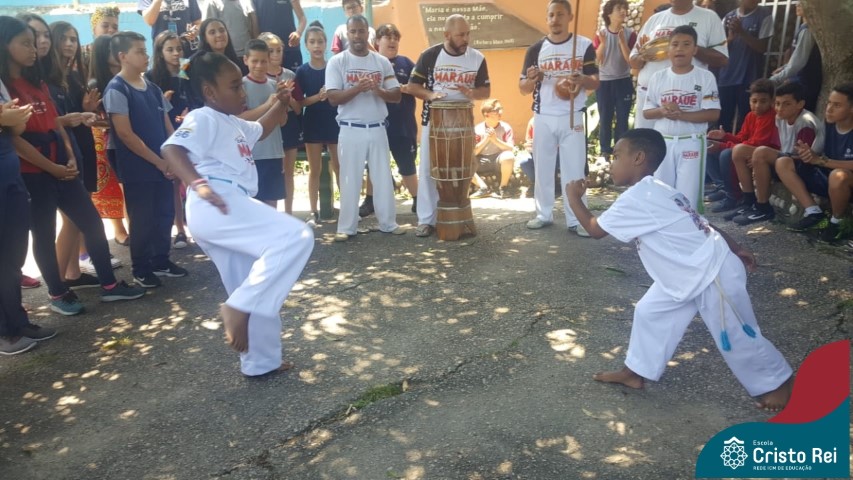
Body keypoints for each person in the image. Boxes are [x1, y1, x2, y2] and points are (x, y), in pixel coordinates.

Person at [565, 127, 794, 412]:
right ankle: (635, 372)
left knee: (736, 332)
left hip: (712, 273)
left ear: (638, 158)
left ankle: (778, 384)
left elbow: (595, 230)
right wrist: (735, 246)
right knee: (650, 312)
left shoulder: (638, 198)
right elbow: (701, 222)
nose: (612, 163)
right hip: (689, 272)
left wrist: (573, 197)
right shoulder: (660, 189)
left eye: (616, 156)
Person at [161, 51, 314, 377]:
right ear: (210, 92)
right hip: (218, 201)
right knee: (296, 236)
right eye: (234, 86)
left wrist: (280, 102)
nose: (242, 92)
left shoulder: (232, 122)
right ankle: (239, 307)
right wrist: (198, 184)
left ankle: (260, 362)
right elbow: (172, 148)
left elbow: (262, 127)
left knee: (255, 281)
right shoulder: (203, 117)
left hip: (223, 206)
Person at [4, 18, 145, 315]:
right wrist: (51, 167)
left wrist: (68, 156)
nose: (35, 48)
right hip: (34, 174)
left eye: (36, 41)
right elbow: (16, 140)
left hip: (62, 167)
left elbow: (55, 122)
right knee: (43, 234)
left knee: (91, 221)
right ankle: (57, 293)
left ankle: (110, 286)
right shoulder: (6, 88)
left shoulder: (37, 81)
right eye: (26, 43)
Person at [104, 31, 188, 288]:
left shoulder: (152, 88)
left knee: (164, 212)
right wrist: (159, 162)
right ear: (123, 56)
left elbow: (167, 125)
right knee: (142, 218)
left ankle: (161, 260)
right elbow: (126, 135)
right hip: (137, 167)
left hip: (162, 163)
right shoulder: (116, 89)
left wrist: (173, 156)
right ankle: (141, 268)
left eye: (145, 50)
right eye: (139, 52)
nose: (146, 56)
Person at [519, 0, 599, 235]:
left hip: (572, 114)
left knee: (574, 169)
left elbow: (595, 82)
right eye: (551, 15)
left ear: (570, 17)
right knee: (542, 169)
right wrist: (532, 78)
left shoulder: (583, 45)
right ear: (547, 18)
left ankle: (577, 219)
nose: (555, 20)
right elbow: (522, 88)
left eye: (560, 14)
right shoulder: (536, 49)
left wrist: (582, 79)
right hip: (543, 114)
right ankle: (543, 214)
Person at [408, 14, 490, 238]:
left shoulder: (477, 58)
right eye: (460, 35)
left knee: (462, 170)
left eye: (468, 34)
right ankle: (426, 220)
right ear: (447, 35)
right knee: (428, 171)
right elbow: (413, 86)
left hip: (463, 124)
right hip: (434, 122)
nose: (466, 39)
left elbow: (485, 91)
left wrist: (472, 93)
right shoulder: (430, 55)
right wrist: (431, 95)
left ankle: (457, 215)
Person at [325, 15, 404, 242]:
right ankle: (346, 227)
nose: (357, 36)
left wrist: (378, 90)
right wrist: (358, 88)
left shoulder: (381, 61)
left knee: (382, 177)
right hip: (351, 128)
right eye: (353, 31)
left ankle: (388, 223)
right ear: (347, 34)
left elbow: (396, 95)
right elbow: (333, 98)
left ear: (367, 33)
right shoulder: (337, 62)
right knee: (349, 179)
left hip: (378, 127)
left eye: (361, 31)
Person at [0, 54, 53, 353]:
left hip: (9, 169)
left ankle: (17, 322)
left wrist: (16, 120)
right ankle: (5, 331)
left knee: (13, 254)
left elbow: (14, 129)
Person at [643, 25, 720, 213]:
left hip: (691, 143)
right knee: (662, 194)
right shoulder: (658, 77)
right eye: (675, 44)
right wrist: (662, 111)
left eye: (686, 44)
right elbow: (647, 112)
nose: (680, 49)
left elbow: (713, 113)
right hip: (663, 143)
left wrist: (682, 115)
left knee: (688, 197)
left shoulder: (705, 77)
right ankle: (663, 229)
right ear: (668, 50)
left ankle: (689, 229)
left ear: (695, 49)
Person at [729, 82, 824, 226]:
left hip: (808, 165)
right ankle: (749, 201)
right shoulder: (779, 118)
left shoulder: (805, 122)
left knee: (761, 153)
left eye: (786, 104)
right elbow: (780, 147)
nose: (779, 108)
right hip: (787, 158)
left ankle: (762, 207)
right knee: (739, 150)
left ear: (800, 104)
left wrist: (763, 157)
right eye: (777, 103)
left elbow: (806, 157)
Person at [630, 0, 728, 130]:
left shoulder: (709, 17)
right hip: (649, 98)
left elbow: (722, 59)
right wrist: (647, 54)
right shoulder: (655, 19)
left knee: (680, 141)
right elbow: (633, 61)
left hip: (685, 99)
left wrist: (686, 47)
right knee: (644, 140)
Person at [359, 22, 418, 217]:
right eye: (388, 37)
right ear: (377, 41)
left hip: (403, 126)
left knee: (407, 165)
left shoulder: (406, 63)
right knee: (373, 164)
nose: (392, 41)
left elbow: (420, 87)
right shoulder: (370, 63)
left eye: (396, 38)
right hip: (376, 125)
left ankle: (418, 200)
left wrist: (404, 88)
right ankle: (370, 201)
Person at [785, 83, 853, 242]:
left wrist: (821, 161)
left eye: (837, 105)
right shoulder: (828, 124)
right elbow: (816, 154)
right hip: (827, 177)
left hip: (845, 183)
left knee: (838, 176)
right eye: (829, 103)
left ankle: (837, 222)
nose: (829, 109)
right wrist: (806, 154)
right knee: (784, 163)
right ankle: (814, 213)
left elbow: (822, 161)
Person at [147, 30, 193, 248]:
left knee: (194, 178)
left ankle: (201, 226)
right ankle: (180, 230)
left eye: (179, 49)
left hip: (191, 131)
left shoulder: (187, 70)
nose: (176, 54)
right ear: (160, 52)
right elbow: (150, 108)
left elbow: (196, 97)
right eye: (170, 49)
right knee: (174, 182)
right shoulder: (152, 78)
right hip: (168, 135)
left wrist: (191, 112)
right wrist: (163, 102)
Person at [706, 79, 779, 213]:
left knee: (726, 154)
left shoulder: (771, 116)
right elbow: (742, 138)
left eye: (763, 101)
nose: (758, 105)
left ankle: (734, 196)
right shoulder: (750, 115)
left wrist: (723, 145)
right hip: (746, 149)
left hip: (761, 152)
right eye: (754, 101)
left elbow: (756, 143)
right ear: (749, 100)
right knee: (707, 146)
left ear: (771, 101)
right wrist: (724, 136)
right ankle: (722, 186)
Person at [296, 21, 340, 224]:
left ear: (325, 44)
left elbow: (340, 93)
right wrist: (318, 97)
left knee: (339, 167)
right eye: (312, 42)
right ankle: (313, 212)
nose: (316, 46)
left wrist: (330, 95)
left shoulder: (334, 66)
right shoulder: (302, 71)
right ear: (306, 45)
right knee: (315, 169)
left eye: (320, 41)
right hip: (313, 122)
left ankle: (347, 210)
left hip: (334, 121)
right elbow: (299, 103)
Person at [88, 34, 129, 247]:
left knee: (126, 187)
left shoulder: (126, 77)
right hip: (103, 139)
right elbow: (94, 117)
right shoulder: (95, 83)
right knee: (112, 187)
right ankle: (119, 229)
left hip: (123, 136)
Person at [260, 31, 303, 215]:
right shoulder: (258, 76)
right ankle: (271, 216)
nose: (276, 54)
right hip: (269, 129)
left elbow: (298, 108)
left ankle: (289, 214)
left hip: (289, 127)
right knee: (273, 173)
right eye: (271, 51)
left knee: (288, 173)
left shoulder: (290, 75)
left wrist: (288, 97)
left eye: (279, 50)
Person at [717, 0, 773, 133]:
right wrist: (730, 39)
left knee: (747, 120)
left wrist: (741, 32)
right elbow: (719, 48)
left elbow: (762, 47)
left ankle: (742, 145)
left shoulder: (764, 15)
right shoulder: (728, 17)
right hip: (727, 77)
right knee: (723, 120)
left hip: (749, 78)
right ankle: (721, 145)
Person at [242, 39, 285, 208]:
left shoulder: (275, 85)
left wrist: (283, 102)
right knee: (252, 205)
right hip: (250, 155)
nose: (259, 66)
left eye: (263, 61)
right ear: (246, 60)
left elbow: (282, 121)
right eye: (255, 61)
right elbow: (240, 119)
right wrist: (267, 105)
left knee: (271, 204)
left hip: (273, 153)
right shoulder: (241, 86)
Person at [594, 0, 636, 159]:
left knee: (623, 117)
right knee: (605, 116)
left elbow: (631, 61)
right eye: (619, 8)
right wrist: (603, 44)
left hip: (623, 80)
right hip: (604, 82)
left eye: (625, 8)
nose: (623, 11)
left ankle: (621, 151)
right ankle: (605, 150)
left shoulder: (630, 34)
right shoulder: (601, 34)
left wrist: (623, 43)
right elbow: (597, 60)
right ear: (609, 13)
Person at [770, 2, 821, 114]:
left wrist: (775, 80)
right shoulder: (803, 28)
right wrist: (784, 68)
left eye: (802, 3)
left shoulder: (807, 30)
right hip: (801, 80)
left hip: (805, 82)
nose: (797, 5)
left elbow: (798, 62)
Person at [473, 98, 515, 198]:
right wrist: (487, 139)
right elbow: (473, 153)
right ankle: (483, 188)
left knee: (509, 156)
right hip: (481, 160)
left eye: (500, 109)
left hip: (498, 159)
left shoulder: (506, 127)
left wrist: (495, 140)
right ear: (486, 114)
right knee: (463, 162)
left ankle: (503, 188)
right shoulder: (477, 129)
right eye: (496, 110)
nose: (500, 112)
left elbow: (510, 148)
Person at [253, 0, 306, 71]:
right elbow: (254, 24)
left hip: (290, 47)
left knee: (293, 77)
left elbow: (302, 18)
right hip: (266, 51)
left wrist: (298, 33)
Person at [81, 6, 120, 72]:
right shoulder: (83, 53)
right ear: (94, 30)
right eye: (105, 26)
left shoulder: (121, 54)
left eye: (115, 27)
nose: (111, 30)